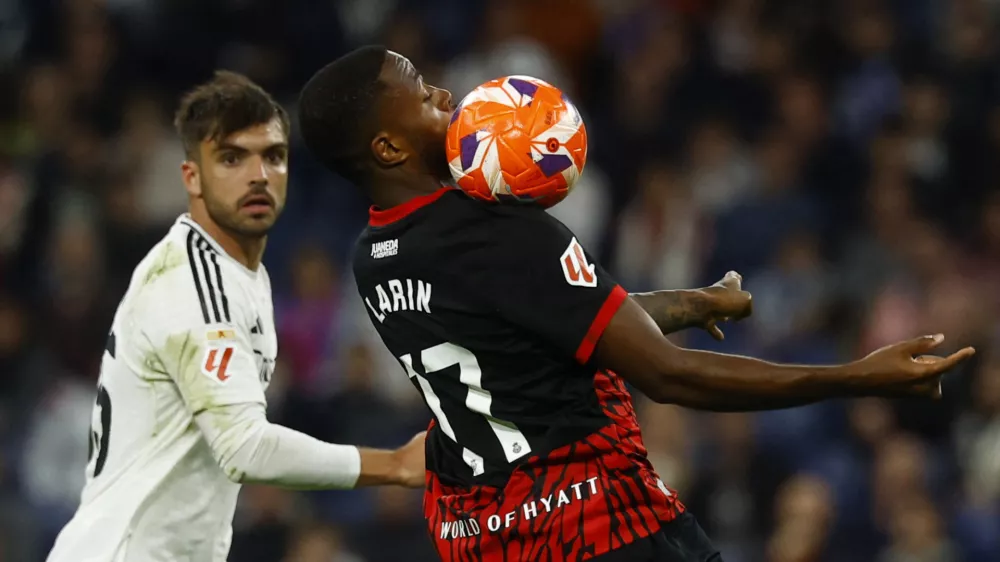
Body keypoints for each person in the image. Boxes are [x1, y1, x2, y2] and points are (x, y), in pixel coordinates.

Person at [296, 46, 975, 562]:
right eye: (422, 95)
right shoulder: (501, 229)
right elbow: (667, 375)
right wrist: (859, 378)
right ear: (387, 144)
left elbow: (527, 329)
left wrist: (684, 301)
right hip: (599, 526)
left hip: (482, 538)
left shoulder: (373, 255)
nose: (446, 94)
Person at [46, 71, 425, 562]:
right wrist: (394, 464)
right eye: (231, 157)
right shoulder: (193, 284)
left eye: (272, 156)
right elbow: (245, 448)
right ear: (191, 177)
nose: (258, 175)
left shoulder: (240, 274)